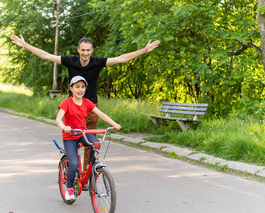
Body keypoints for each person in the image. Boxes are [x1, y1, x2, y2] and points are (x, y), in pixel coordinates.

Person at [10, 34, 160, 172]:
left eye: (88, 50)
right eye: (83, 50)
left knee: (91, 144)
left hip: (91, 109)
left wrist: (144, 50)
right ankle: (72, 169)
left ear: (92, 50)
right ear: (78, 50)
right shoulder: (71, 61)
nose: (85, 53)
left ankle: (88, 173)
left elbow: (121, 58)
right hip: (72, 109)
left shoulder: (97, 62)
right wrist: (25, 45)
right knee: (73, 139)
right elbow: (46, 56)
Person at [56, 75, 121, 201]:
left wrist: (114, 124)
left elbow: (101, 114)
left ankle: (92, 170)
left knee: (96, 143)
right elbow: (58, 119)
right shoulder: (66, 103)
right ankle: (69, 188)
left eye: (82, 87)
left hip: (82, 134)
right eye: (77, 87)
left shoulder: (87, 102)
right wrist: (64, 126)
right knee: (74, 163)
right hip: (70, 136)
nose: (80, 90)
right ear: (71, 88)